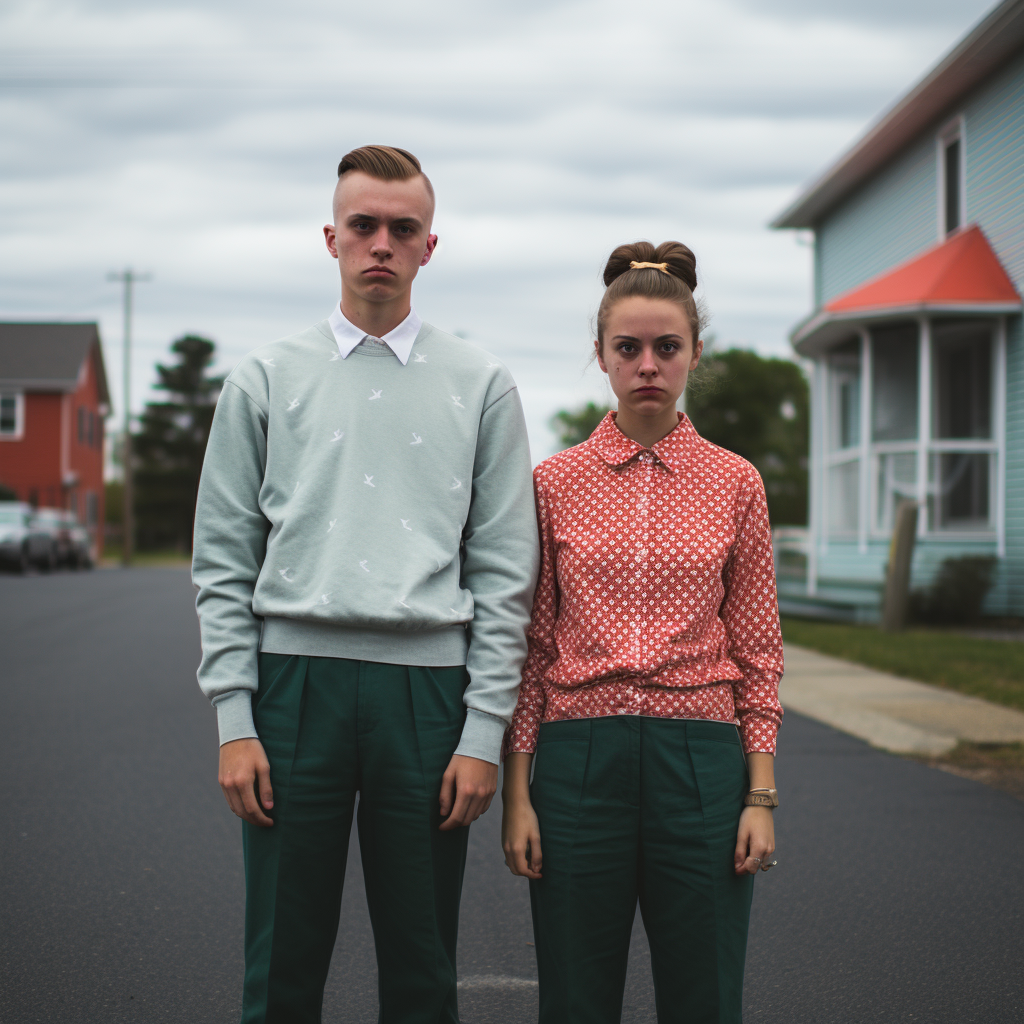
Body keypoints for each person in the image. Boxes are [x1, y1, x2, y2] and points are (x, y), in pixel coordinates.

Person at [192, 144, 540, 1024]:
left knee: (423, 964)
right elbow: (223, 556)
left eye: (403, 227)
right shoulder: (263, 378)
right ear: (331, 237)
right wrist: (235, 719)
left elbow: (505, 569)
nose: (381, 242)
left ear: (430, 245)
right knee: (281, 959)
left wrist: (483, 731)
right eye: (364, 225)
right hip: (292, 688)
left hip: (428, 700)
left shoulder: (482, 383)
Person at [500, 241, 784, 1024]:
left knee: (704, 993)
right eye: (628, 348)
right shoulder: (553, 483)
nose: (647, 365)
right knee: (574, 995)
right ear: (600, 355)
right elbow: (533, 647)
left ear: (696, 352)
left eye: (667, 347)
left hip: (701, 761)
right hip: (576, 761)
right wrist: (518, 797)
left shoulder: (736, 482)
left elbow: (758, 651)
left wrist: (759, 795)